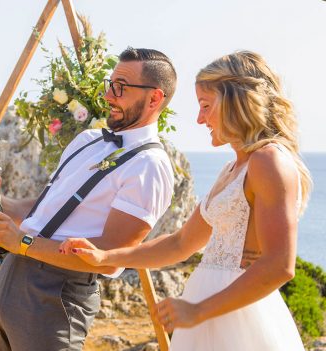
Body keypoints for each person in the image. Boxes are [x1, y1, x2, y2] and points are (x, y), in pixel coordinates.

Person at [59, 51, 312, 351]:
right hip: (206, 314)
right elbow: (180, 243)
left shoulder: (268, 160)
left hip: (238, 321)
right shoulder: (231, 170)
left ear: (236, 101)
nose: (199, 119)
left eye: (206, 106)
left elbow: (279, 265)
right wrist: (106, 257)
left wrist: (198, 310)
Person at [0, 48, 177, 350]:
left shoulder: (150, 166)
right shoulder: (88, 140)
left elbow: (109, 256)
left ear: (155, 98)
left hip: (57, 294)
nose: (109, 96)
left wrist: (21, 242)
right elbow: (46, 210)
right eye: (109, 84)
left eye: (121, 88)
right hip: (9, 282)